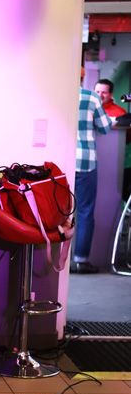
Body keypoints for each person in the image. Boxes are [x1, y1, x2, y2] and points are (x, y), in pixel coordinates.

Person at [72, 72, 114, 274]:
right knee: (85, 211)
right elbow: (105, 128)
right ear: (82, 78)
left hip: (61, 163)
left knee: (60, 211)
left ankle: (58, 260)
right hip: (85, 161)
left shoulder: (58, 94)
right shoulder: (91, 97)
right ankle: (81, 260)